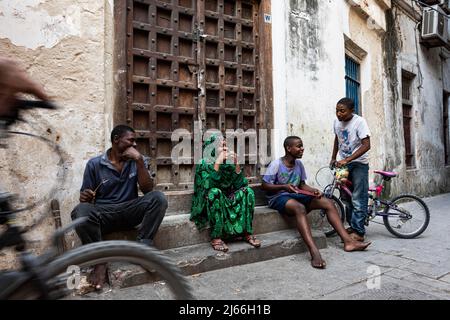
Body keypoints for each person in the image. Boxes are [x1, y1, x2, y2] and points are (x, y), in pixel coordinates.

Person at [71, 125, 168, 289]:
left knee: (158, 198)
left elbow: (147, 190)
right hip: (105, 215)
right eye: (131, 140)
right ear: (116, 140)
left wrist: (138, 161)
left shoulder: (138, 160)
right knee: (80, 211)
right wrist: (85, 197)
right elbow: (86, 201)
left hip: (129, 211)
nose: (135, 144)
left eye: (135, 141)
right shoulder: (94, 164)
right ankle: (100, 261)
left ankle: (143, 246)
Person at [262, 136, 371, 269]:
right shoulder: (276, 164)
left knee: (327, 202)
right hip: (279, 197)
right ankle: (314, 251)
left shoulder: (299, 164)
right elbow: (265, 186)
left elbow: (302, 185)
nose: (302, 149)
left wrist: (314, 191)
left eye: (302, 146)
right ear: (288, 148)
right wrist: (284, 187)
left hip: (297, 195)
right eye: (299, 146)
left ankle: (348, 242)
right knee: (300, 208)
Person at [190, 133, 261, 252]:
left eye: (224, 145)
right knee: (214, 193)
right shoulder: (203, 163)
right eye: (219, 145)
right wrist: (217, 163)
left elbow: (241, 185)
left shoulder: (228, 163)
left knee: (248, 191)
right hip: (213, 201)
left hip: (229, 198)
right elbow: (208, 188)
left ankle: (246, 232)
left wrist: (236, 164)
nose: (224, 148)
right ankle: (216, 237)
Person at [330, 98, 371, 242]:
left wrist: (348, 159)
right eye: (337, 110)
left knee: (358, 198)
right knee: (346, 198)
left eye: (342, 111)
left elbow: (366, 145)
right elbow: (337, 139)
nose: (339, 114)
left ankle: (359, 232)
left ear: (351, 111)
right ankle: (353, 227)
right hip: (343, 164)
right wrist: (333, 157)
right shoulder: (336, 122)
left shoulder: (359, 122)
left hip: (359, 163)